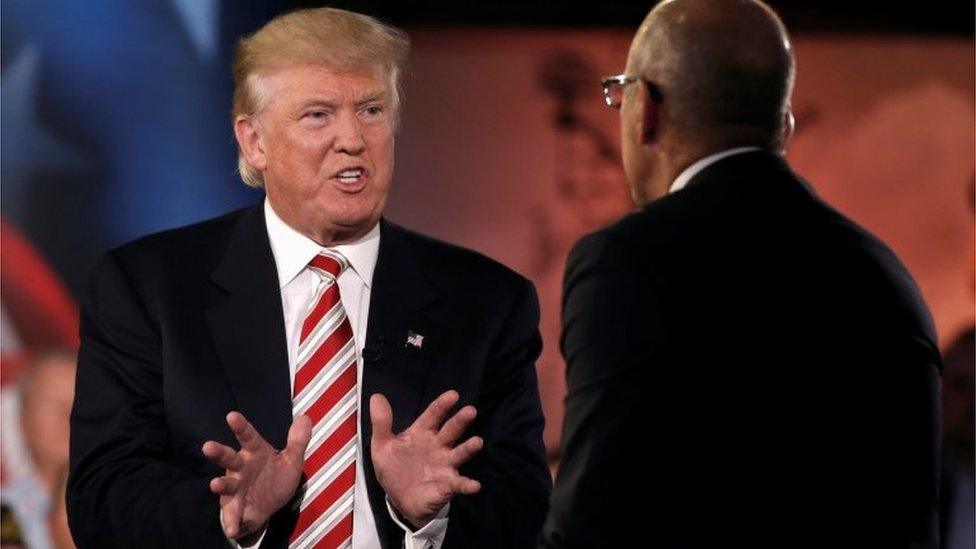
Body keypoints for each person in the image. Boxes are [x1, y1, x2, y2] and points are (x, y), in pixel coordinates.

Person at [67, 8, 550, 549]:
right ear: (254, 142)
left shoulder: (487, 302)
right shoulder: (146, 289)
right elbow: (102, 501)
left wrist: (427, 518)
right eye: (318, 115)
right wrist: (228, 518)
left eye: (372, 109)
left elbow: (522, 501)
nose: (352, 139)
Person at [540, 1, 941, 547]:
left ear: (647, 111)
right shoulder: (885, 277)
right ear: (786, 125)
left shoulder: (629, 263)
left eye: (619, 95)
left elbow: (593, 523)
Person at [3, 350, 76, 549]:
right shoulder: (4, 515)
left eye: (81, 400)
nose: (69, 414)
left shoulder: (141, 498)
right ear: (23, 423)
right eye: (53, 403)